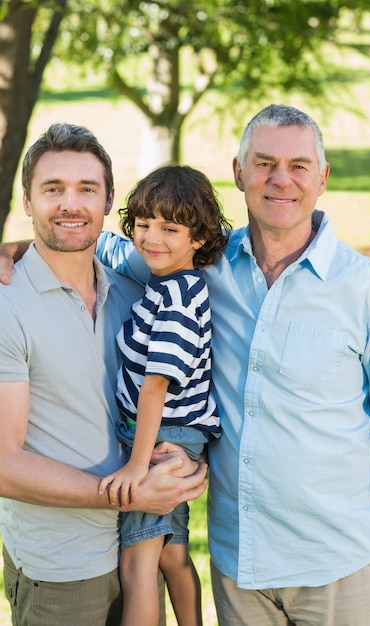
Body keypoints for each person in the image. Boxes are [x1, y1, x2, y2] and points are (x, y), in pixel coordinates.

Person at [2, 105, 370, 625]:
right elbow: (89, 241)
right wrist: (16, 248)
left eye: (299, 166)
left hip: (335, 562)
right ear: (239, 172)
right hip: (238, 561)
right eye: (263, 163)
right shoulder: (202, 263)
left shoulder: (369, 289)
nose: (280, 180)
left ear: (323, 177)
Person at [0, 123, 207, 626]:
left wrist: (184, 457)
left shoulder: (134, 293)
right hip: (64, 567)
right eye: (53, 189)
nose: (71, 205)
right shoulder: (8, 304)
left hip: (137, 541)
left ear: (109, 200)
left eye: (86, 190)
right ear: (27, 201)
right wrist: (127, 491)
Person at [98, 165, 231, 626]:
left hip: (162, 436)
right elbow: (102, 243)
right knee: (171, 553)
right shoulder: (172, 283)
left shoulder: (175, 300)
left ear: (198, 238)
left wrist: (137, 464)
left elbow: (156, 384)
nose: (152, 238)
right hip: (175, 431)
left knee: (137, 564)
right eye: (144, 223)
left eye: (170, 228)